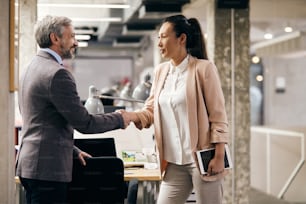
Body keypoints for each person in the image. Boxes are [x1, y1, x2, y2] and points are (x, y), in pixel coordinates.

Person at [16, 15, 131, 204]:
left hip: (31, 165)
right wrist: (120, 118)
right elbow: (85, 123)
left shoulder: (31, 68)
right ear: (55, 38)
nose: (76, 42)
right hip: (48, 170)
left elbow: (43, 121)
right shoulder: (57, 73)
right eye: (72, 36)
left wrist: (73, 150)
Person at [120, 14, 229, 204]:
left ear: (182, 38)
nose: (159, 42)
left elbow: (218, 116)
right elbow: (151, 109)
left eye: (163, 36)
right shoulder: (160, 71)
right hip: (172, 162)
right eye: (158, 37)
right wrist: (132, 116)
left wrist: (219, 156)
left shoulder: (204, 69)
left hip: (201, 160)